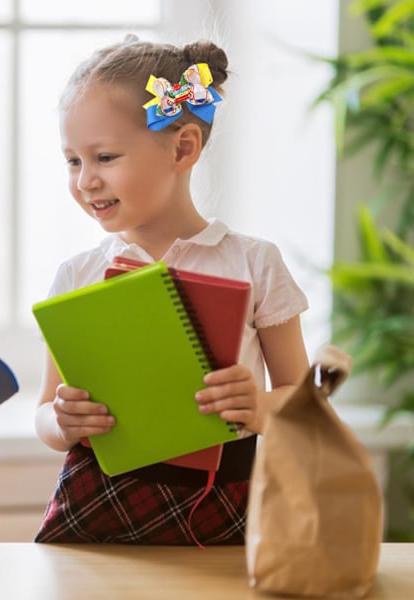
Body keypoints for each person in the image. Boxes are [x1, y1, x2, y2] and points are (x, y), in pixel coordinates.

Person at [34, 35, 310, 545]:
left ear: (183, 147)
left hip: (224, 499)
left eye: (105, 157)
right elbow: (46, 416)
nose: (85, 181)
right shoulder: (77, 273)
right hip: (98, 499)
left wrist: (259, 405)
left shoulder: (254, 262)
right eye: (73, 161)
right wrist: (62, 420)